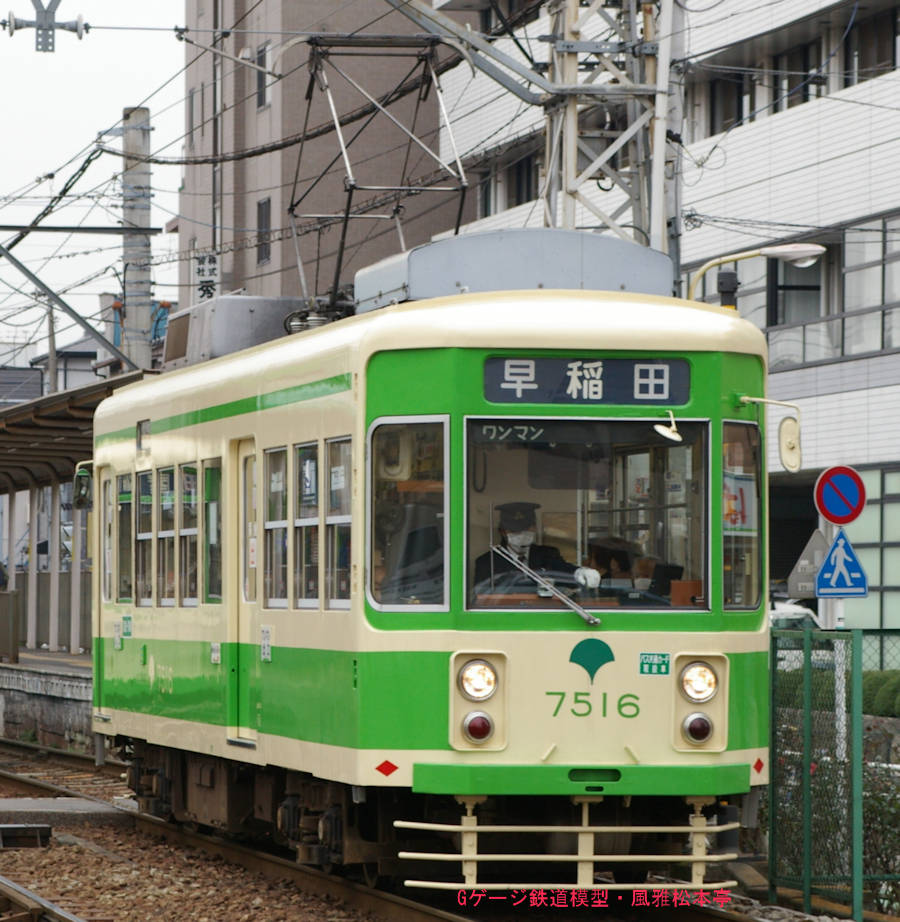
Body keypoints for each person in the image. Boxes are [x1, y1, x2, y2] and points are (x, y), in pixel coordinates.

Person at [474, 502, 601, 590]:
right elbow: (480, 597)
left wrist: (579, 572)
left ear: (535, 528)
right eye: (515, 530)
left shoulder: (547, 554)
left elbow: (562, 570)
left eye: (528, 528)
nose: (522, 533)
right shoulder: (487, 562)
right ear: (502, 531)